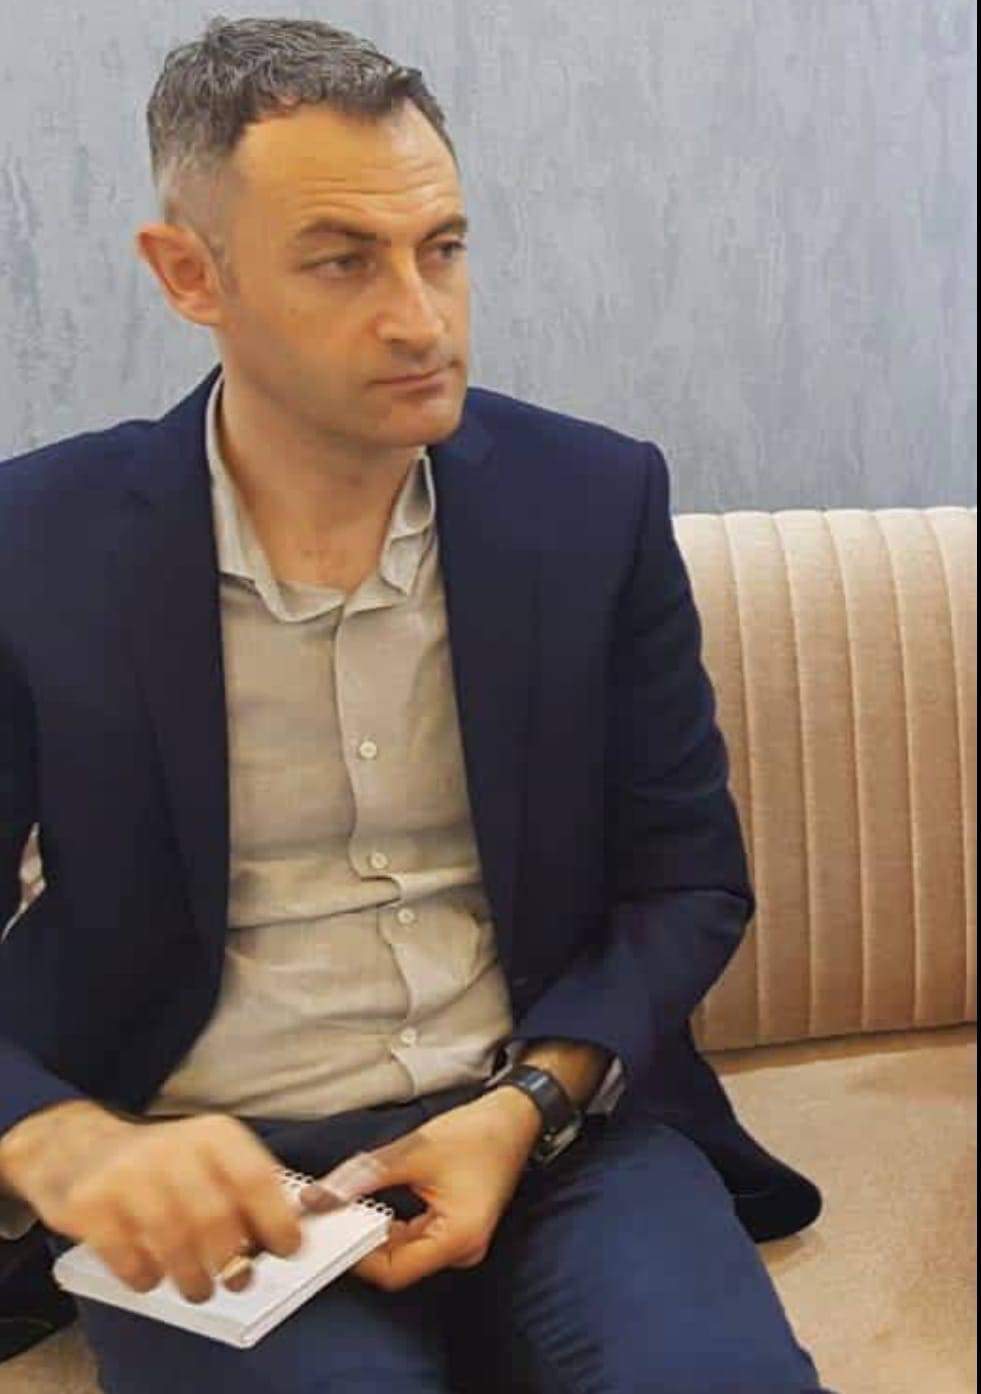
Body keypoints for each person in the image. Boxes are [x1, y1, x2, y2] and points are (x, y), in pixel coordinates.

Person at [0, 17, 837, 1394]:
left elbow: (688, 879)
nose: (421, 318)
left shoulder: (592, 503)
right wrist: (56, 1137)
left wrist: (531, 1101)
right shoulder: (35, 546)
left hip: (553, 1135)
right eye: (343, 260)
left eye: (441, 248)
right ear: (189, 274)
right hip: (212, 1166)